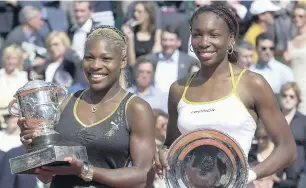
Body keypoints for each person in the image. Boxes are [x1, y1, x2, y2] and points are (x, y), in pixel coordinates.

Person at [154, 4, 296, 186]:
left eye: (213, 35)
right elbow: (171, 145)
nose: (204, 42)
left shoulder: (252, 84)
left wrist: (249, 175)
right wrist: (163, 153)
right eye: (197, 34)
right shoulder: (178, 88)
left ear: (231, 39)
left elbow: (288, 149)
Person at [17, 25, 156, 188]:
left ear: (123, 61)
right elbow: (46, 177)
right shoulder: (65, 103)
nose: (95, 65)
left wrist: (84, 170)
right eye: (89, 57)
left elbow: (144, 176)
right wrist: (33, 147)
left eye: (106, 59)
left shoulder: (135, 108)